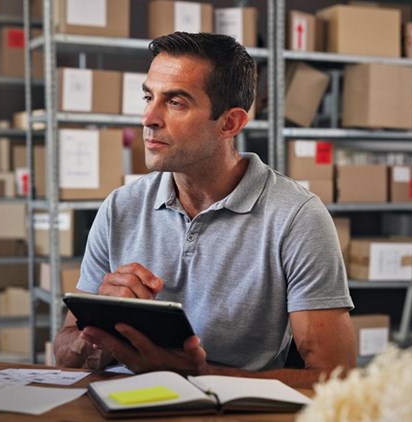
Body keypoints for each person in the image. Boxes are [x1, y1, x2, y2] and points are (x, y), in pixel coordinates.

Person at [53, 32, 356, 387]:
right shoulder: (120, 207)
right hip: (121, 403)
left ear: (230, 123)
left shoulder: (296, 217)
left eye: (175, 102)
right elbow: (65, 356)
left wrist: (198, 376)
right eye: (148, 97)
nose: (149, 117)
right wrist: (101, 326)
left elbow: (335, 377)